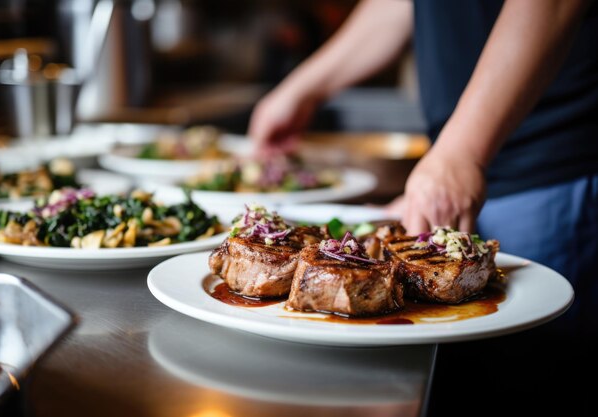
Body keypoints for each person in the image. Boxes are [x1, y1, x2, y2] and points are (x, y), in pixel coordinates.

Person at [248, 1, 598, 416]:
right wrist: (305, 86)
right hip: (467, 157)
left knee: (530, 391)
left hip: (549, 167)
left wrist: (461, 152)